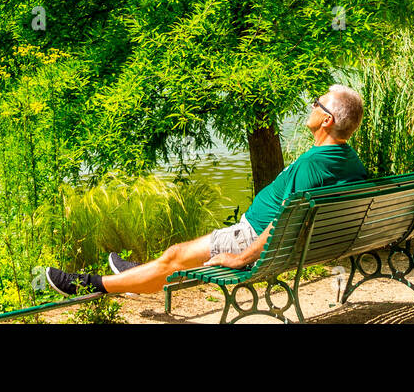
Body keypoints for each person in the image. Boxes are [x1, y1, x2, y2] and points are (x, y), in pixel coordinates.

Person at [34, 84, 369, 296]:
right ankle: (136, 275)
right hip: (302, 249)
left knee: (174, 256)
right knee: (172, 257)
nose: (311, 106)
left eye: (317, 104)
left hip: (250, 240)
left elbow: (282, 222)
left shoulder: (314, 162)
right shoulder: (350, 160)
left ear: (326, 121)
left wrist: (240, 258)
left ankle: (91, 286)